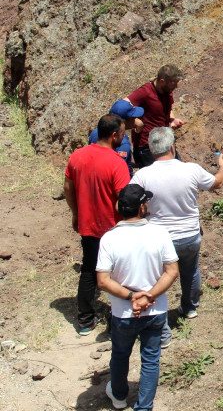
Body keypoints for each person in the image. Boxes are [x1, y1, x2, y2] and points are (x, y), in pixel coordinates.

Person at [130, 127, 223, 348]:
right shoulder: (191, 170)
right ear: (173, 148)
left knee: (157, 281)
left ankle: (161, 327)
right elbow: (217, 183)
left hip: (159, 238)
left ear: (150, 149)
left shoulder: (143, 175)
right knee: (190, 270)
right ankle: (189, 307)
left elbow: (131, 201)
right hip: (189, 235)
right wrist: (222, 167)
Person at [96, 184, 179, 410]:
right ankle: (144, 407)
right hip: (155, 310)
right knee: (151, 360)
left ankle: (120, 396)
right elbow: (172, 271)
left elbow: (102, 280)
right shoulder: (159, 233)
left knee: (121, 355)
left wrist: (132, 296)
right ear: (142, 207)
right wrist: (148, 296)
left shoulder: (109, 239)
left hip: (123, 312)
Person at [64, 114, 130, 335]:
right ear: (114, 135)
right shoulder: (116, 163)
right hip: (113, 228)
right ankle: (120, 318)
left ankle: (84, 321)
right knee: (119, 274)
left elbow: (67, 187)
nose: (124, 137)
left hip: (88, 226)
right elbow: (124, 199)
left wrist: (76, 213)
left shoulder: (77, 156)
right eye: (122, 133)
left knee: (90, 270)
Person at [125, 64, 185, 169]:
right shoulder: (145, 92)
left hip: (164, 142)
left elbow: (168, 108)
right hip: (146, 147)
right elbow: (122, 106)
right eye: (173, 84)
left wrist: (172, 119)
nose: (176, 87)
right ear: (162, 81)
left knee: (180, 172)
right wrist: (135, 121)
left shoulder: (167, 91)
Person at [88, 100, 144, 177]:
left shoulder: (96, 132)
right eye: (133, 117)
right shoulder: (122, 142)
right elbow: (118, 169)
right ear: (127, 120)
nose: (136, 119)